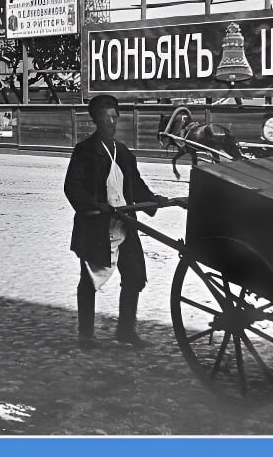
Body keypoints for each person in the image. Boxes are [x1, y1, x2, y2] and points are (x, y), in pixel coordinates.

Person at [63, 94, 187, 349]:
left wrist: (153, 200)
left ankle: (125, 331)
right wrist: (95, 206)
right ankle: (85, 335)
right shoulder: (85, 151)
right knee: (89, 280)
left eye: (114, 117)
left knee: (135, 277)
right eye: (104, 117)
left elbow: (136, 186)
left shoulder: (123, 153)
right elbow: (72, 187)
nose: (110, 122)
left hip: (125, 223)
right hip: (96, 225)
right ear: (95, 120)